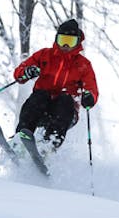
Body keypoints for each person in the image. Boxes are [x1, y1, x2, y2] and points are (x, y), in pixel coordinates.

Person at [13, 19, 99, 150]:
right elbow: (19, 73)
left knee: (65, 99)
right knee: (39, 96)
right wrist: (26, 72)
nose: (65, 45)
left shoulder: (83, 65)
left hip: (65, 113)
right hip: (42, 108)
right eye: (62, 40)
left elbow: (91, 88)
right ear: (56, 39)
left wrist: (89, 97)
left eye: (70, 41)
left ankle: (49, 146)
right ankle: (20, 140)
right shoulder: (44, 55)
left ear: (77, 42)